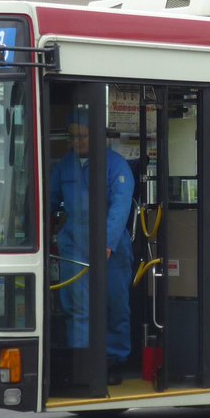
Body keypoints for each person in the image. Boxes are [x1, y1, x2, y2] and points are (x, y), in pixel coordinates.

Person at [48, 109, 134, 386]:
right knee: (76, 306)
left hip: (112, 248)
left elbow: (120, 209)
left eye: (82, 136)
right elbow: (48, 202)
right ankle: (81, 359)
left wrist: (107, 243)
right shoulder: (64, 166)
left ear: (96, 136)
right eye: (72, 136)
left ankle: (112, 359)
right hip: (74, 243)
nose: (77, 142)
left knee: (113, 306)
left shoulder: (116, 166)